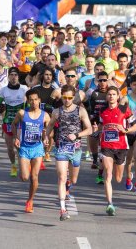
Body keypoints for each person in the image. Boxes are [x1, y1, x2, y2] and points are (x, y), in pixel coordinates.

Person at [44, 85, 92, 221]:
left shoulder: (81, 111)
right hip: (61, 147)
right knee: (61, 177)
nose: (67, 100)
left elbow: (89, 130)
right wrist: (46, 137)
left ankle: (68, 185)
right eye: (64, 98)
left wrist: (76, 134)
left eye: (69, 98)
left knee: (73, 179)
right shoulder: (56, 112)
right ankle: (62, 209)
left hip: (76, 148)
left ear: (74, 97)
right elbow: (50, 125)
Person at [96, 86, 136, 216]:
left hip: (120, 146)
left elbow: (135, 126)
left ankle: (129, 175)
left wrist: (125, 130)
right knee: (108, 175)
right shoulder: (102, 110)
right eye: (109, 94)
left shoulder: (124, 109)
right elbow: (100, 126)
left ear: (118, 96)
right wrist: (97, 131)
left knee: (118, 178)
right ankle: (110, 204)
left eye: (114, 94)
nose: (111, 96)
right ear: (107, 96)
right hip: (107, 146)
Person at [11, 89, 50, 213]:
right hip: (24, 147)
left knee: (34, 176)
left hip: (37, 148)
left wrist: (46, 137)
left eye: (36, 100)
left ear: (39, 100)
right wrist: (16, 137)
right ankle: (24, 166)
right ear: (27, 101)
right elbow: (14, 124)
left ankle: (30, 200)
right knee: (24, 177)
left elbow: (49, 131)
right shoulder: (22, 113)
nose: (34, 102)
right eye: (31, 100)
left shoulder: (45, 115)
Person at [0, 67, 28, 177]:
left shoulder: (24, 89)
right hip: (8, 122)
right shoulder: (4, 90)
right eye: (11, 75)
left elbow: (30, 103)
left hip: (21, 121)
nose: (13, 77)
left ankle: (22, 165)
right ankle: (13, 165)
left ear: (18, 77)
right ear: (8, 76)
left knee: (19, 146)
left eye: (15, 75)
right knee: (10, 147)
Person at [121, 74, 136, 192]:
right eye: (134, 84)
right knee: (129, 158)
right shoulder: (125, 99)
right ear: (130, 85)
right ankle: (128, 177)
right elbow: (119, 114)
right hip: (128, 132)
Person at [31, 67, 57, 161]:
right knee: (38, 136)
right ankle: (37, 152)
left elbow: (57, 106)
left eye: (50, 75)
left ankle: (47, 152)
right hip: (36, 116)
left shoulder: (55, 90)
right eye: (46, 74)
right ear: (42, 76)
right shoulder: (35, 89)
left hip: (49, 117)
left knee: (50, 135)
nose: (48, 77)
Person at [88, 71, 110, 178]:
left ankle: (102, 168)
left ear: (107, 80)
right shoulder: (93, 93)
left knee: (103, 145)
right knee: (93, 138)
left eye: (104, 80)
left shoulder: (111, 92)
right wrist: (92, 122)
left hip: (107, 122)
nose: (102, 82)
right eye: (100, 80)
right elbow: (89, 108)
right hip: (96, 120)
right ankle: (95, 159)